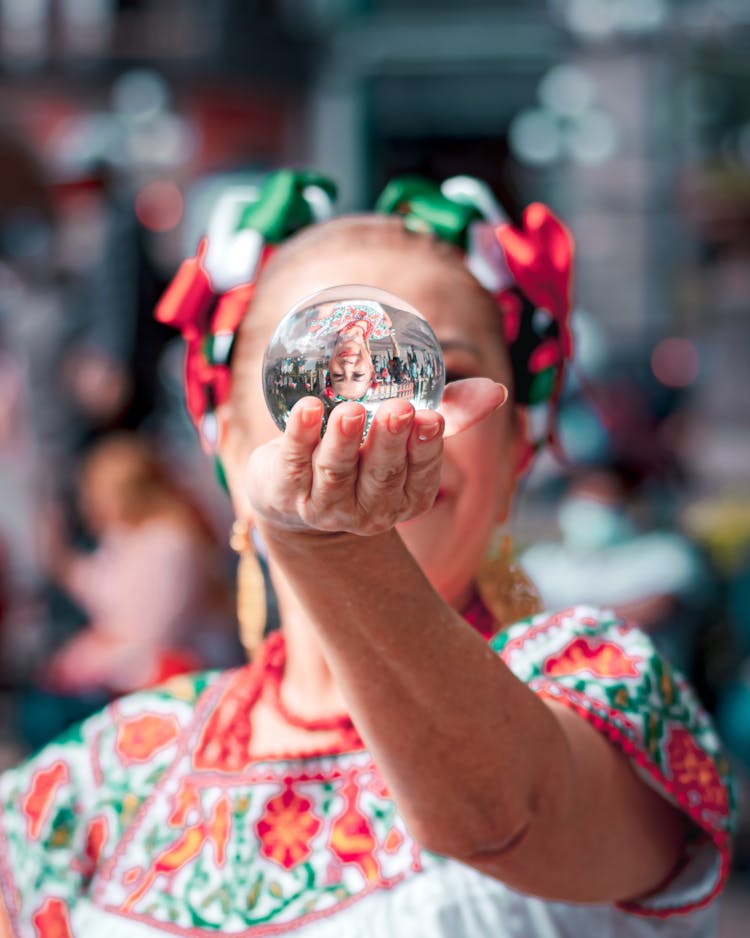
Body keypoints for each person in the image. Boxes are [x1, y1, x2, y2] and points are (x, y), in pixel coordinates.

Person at [0, 170, 734, 937]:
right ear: (228, 437)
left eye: (436, 375)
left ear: (520, 441)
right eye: (320, 382)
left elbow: (499, 817)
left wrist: (337, 548)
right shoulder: (101, 780)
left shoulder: (603, 686)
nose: (380, 418)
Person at [35, 432, 236, 697]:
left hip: (194, 675)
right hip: (142, 666)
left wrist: (93, 656)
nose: (89, 506)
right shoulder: (124, 535)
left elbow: (153, 633)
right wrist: (60, 559)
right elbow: (103, 593)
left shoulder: (172, 542)